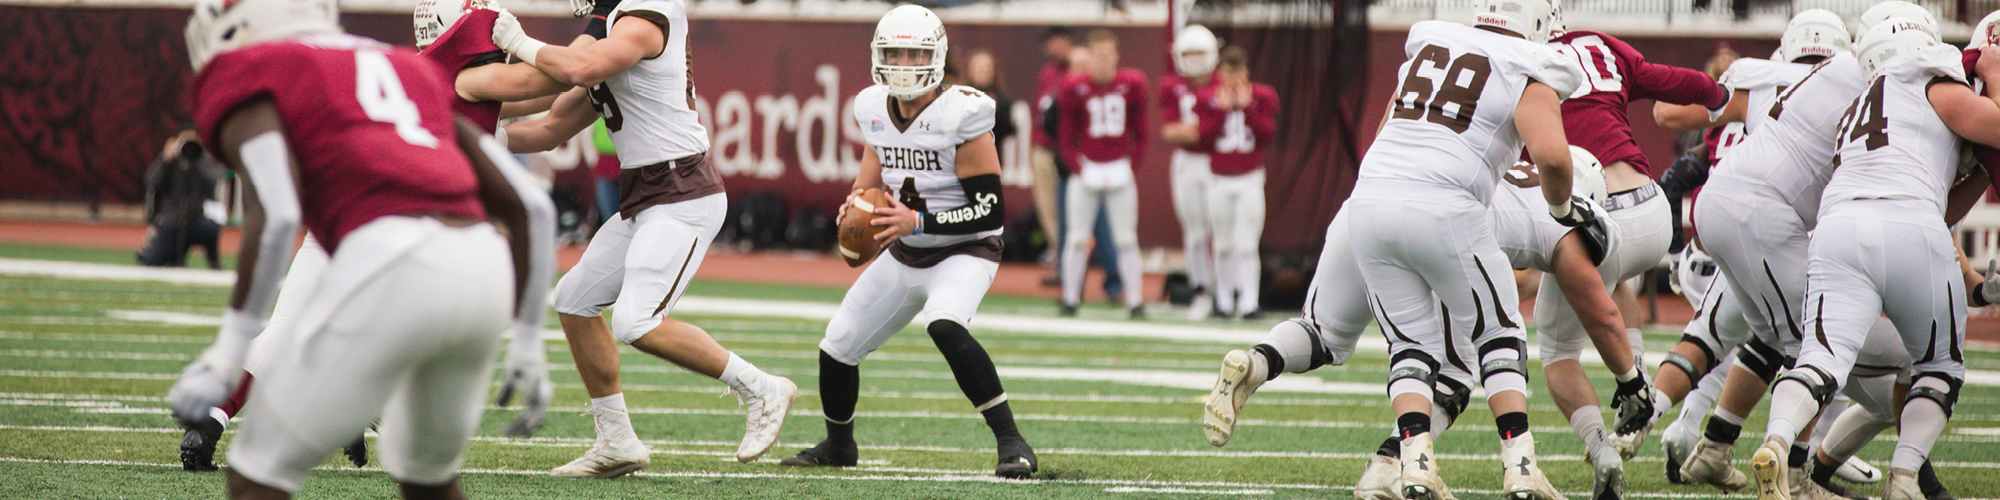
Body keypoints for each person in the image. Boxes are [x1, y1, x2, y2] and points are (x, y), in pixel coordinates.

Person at [173, 1, 590, 471]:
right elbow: (563, 75)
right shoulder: (461, 76)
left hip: (342, 210)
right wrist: (584, 40)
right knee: (418, 346)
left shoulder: (427, 73)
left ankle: (217, 416)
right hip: (406, 226)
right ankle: (356, 407)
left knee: (293, 324)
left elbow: (549, 96)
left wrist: (592, 71)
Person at [1203, 147, 1623, 500]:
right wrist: (1631, 377)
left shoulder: (1496, 160)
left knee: (1322, 334)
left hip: (1365, 207)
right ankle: (1397, 465)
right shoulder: (1572, 211)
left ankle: (1258, 361)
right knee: (1454, 370)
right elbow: (1565, 288)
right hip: (1436, 228)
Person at [492, 0, 799, 476]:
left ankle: (761, 387)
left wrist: (518, 42)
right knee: (574, 299)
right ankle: (617, 442)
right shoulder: (614, 31)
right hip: (648, 196)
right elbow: (551, 126)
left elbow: (581, 66)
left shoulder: (647, 12)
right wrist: (475, 129)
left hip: (683, 193)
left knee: (636, 321)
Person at [775, 7, 1037, 478]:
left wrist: (918, 220)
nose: (903, 62)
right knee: (837, 344)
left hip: (965, 249)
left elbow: (991, 210)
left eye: (915, 52)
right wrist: (855, 204)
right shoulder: (873, 107)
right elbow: (870, 175)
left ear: (936, 58)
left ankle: (1012, 442)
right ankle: (839, 446)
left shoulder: (964, 113)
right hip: (906, 249)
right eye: (894, 51)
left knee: (944, 323)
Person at [1343, 0, 1585, 496]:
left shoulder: (1430, 44)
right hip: (1443, 203)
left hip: (1368, 199)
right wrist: (1562, 212)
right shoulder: (1528, 63)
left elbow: (1389, 126)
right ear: (1538, 21)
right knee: (1499, 330)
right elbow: (1555, 160)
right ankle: (1520, 467)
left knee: (1411, 344)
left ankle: (1415, 462)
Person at [1755, 17, 2000, 500]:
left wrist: (1974, 166)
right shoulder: (1933, 73)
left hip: (1839, 226)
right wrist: (1993, 73)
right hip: (1910, 223)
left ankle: (1777, 440)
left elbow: (1941, 197)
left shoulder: (1861, 106)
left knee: (1819, 361)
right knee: (1939, 368)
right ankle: (1905, 479)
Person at [1537, 15, 1735, 473]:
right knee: (1616, 273)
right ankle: (1639, 377)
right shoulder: (1603, 46)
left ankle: (1607, 445)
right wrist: (1717, 94)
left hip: (1602, 219)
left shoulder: (1525, 62)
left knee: (1557, 354)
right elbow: (1671, 79)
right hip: (1650, 209)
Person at [1055, 29, 1148, 319]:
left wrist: (1129, 168)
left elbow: (1142, 134)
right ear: (1089, 57)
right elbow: (1066, 137)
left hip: (1118, 165)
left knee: (1126, 239)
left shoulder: (1133, 84)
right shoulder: (1074, 87)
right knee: (1077, 238)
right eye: (1098, 54)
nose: (1103, 60)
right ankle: (1070, 298)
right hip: (1087, 166)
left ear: (1117, 56)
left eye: (1108, 54)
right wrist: (1080, 169)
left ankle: (1136, 300)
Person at [1178, 46, 1275, 319]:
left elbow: (1266, 135)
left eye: (1238, 72)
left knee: (1246, 244)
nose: (1233, 79)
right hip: (1218, 179)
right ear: (1220, 73)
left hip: (1249, 179)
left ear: (1246, 72)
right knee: (1222, 244)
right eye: (1228, 73)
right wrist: (1222, 111)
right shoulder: (1207, 98)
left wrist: (1246, 109)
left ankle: (1248, 302)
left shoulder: (1262, 96)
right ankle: (1222, 301)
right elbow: (1203, 139)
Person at [1158, 25, 1219, 319]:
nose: (1194, 59)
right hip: (1187, 162)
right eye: (1188, 53)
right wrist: (1198, 131)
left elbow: (1211, 131)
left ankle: (1227, 292)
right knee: (1195, 232)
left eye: (1199, 53)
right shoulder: (1173, 86)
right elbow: (1169, 131)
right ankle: (1201, 289)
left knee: (1222, 232)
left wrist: (1196, 131)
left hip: (1219, 163)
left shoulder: (1223, 82)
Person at [138, 128, 223, 270]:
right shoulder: (170, 162)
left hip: (196, 221)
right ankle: (156, 252)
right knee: (152, 262)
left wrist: (200, 156)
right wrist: (164, 160)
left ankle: (213, 261)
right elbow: (151, 181)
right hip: (173, 223)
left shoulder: (202, 160)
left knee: (210, 228)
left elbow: (215, 178)